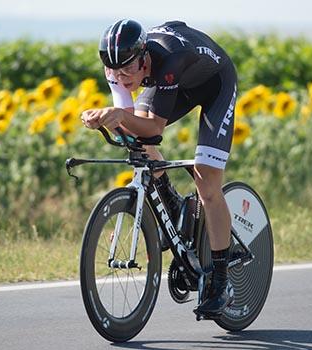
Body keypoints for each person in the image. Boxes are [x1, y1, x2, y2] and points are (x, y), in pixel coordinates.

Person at [81, 19, 237, 319]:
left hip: (215, 84)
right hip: (178, 84)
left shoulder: (168, 59)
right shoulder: (117, 67)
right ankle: (172, 203)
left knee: (207, 183)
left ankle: (220, 282)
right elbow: (130, 129)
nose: (122, 79)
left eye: (128, 72)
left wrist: (115, 116)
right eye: (115, 73)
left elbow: (153, 129)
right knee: (136, 141)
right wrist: (105, 119)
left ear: (144, 60)